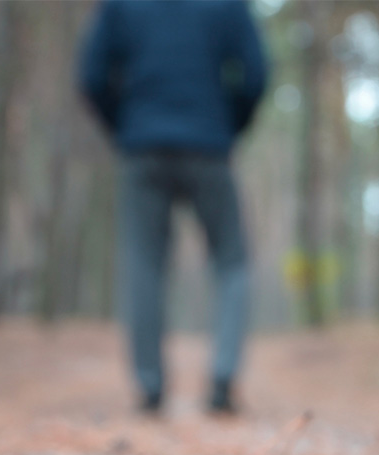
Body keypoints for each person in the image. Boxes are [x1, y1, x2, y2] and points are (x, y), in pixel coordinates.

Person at [78, 0, 268, 414]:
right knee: (232, 262)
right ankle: (223, 377)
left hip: (142, 145)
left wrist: (126, 125)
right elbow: (255, 75)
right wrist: (227, 125)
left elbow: (92, 77)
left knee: (144, 264)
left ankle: (150, 387)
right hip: (209, 146)